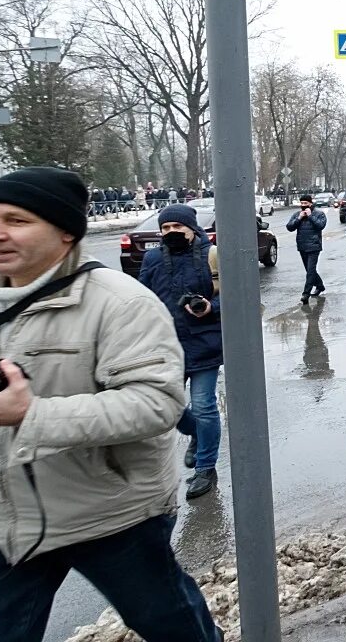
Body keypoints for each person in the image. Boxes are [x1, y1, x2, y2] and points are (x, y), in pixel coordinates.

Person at [0, 168, 221, 641]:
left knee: (172, 625)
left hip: (109, 514)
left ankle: (204, 462)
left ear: (66, 230)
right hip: (1, 522)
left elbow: (155, 404)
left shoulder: (120, 303)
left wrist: (31, 414)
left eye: (16, 220)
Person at [138, 203, 223, 501]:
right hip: (166, 346)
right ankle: (197, 434)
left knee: (203, 406)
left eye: (177, 227)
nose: (171, 232)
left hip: (205, 342)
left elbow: (238, 295)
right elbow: (141, 298)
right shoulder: (152, 258)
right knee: (167, 406)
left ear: (192, 228)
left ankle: (205, 467)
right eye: (166, 228)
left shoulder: (211, 255)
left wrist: (212, 308)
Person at [288, 193, 328, 305]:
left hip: (314, 246)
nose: (303, 205)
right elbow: (289, 227)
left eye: (306, 203)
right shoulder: (297, 214)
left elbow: (321, 225)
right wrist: (299, 218)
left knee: (310, 271)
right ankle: (320, 286)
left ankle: (305, 294)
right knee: (310, 271)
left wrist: (310, 216)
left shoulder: (319, 214)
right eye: (302, 203)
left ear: (311, 203)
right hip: (302, 246)